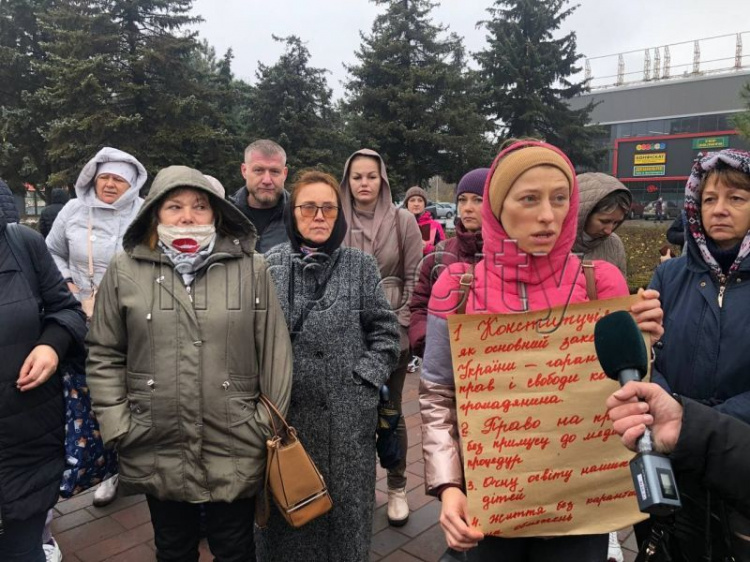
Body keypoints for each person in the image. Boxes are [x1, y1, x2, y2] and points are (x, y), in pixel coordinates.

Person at [419, 140, 664, 561]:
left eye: (559, 199)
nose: (548, 215)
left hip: (578, 506)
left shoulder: (599, 282)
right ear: (498, 208)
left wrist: (644, 349)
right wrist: (448, 487)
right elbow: (437, 394)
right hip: (490, 502)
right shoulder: (458, 287)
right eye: (529, 199)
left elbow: (625, 391)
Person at [85, 165, 293, 561]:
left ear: (216, 212)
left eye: (200, 206)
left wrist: (262, 426)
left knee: (235, 548)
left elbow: (275, 353)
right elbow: (105, 352)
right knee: (173, 547)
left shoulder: (251, 268)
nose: (187, 216)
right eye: (174, 206)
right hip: (154, 438)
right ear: (154, 214)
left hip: (234, 436)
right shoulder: (124, 270)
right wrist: (118, 424)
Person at [258, 170, 400, 561]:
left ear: (340, 215)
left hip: (346, 421)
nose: (319, 216)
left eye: (328, 208)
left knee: (346, 520)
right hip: (287, 421)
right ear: (293, 213)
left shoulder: (360, 266)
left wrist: (362, 383)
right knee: (289, 522)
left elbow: (387, 336)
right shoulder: (268, 266)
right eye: (308, 207)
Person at [647, 148, 750, 561]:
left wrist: (697, 422)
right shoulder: (669, 276)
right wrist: (664, 401)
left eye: (736, 198)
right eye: (709, 199)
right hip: (673, 465)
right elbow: (648, 359)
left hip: (740, 468)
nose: (719, 210)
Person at [46, 147, 147, 509]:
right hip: (82, 314)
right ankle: (106, 471)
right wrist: (69, 285)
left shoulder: (144, 213)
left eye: (118, 179)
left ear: (132, 183)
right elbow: (52, 253)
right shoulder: (73, 211)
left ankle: (131, 465)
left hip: (131, 319)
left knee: (134, 392)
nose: (109, 184)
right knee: (90, 396)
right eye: (104, 177)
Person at [0, 180, 87, 562]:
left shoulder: (21, 242)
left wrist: (52, 344)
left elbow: (65, 309)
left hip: (27, 434)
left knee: (23, 549)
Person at [340, 149, 423, 526]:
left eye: (371, 176)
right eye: (357, 177)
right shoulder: (336, 218)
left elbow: (416, 275)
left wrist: (402, 324)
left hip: (391, 327)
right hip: (346, 328)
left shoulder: (403, 219)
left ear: (383, 179)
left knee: (391, 413)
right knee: (351, 414)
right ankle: (355, 489)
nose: (364, 184)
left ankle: (397, 486)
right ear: (348, 180)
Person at [606, 381, 750, 519]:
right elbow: (653, 363)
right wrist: (685, 422)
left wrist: (695, 419)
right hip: (685, 447)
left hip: (733, 502)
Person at [409, 168, 487, 359]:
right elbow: (418, 305)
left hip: (494, 368)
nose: (467, 207)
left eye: (478, 199)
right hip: (444, 366)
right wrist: (426, 341)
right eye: (462, 200)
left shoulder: (511, 252)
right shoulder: (441, 253)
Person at [231, 139, 289, 252]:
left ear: (285, 174)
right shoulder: (226, 217)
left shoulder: (300, 216)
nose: (267, 180)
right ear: (244, 171)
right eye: (258, 170)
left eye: (275, 171)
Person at [573, 172, 631, 277]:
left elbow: (621, 290)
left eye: (616, 222)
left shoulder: (614, 244)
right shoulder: (550, 243)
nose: (609, 231)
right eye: (604, 221)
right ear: (583, 213)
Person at [404, 185, 445, 255]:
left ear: (424, 204)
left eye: (420, 200)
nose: (416, 204)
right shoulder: (400, 224)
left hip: (428, 264)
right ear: (407, 204)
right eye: (412, 200)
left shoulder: (435, 225)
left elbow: (444, 252)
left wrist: (426, 248)